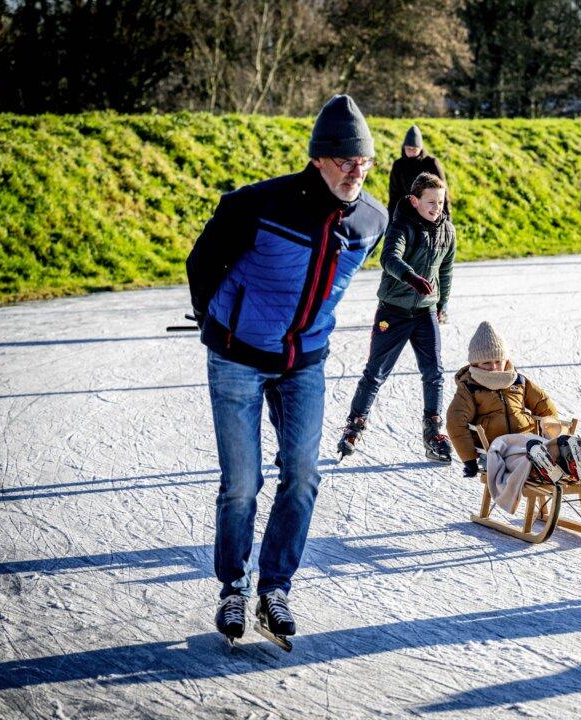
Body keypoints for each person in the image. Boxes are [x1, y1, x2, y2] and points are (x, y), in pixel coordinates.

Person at [186, 94, 388, 644]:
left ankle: (274, 588)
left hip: (305, 364)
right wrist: (219, 322)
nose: (355, 172)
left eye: (364, 162)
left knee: (301, 475)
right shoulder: (258, 204)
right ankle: (233, 588)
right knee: (243, 483)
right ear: (318, 159)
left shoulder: (372, 219)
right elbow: (203, 262)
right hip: (238, 358)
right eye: (345, 160)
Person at [338, 172, 456, 463]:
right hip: (393, 310)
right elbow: (389, 258)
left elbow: (446, 270)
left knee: (434, 372)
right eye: (430, 202)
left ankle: (433, 432)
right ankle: (354, 426)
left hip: (425, 311)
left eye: (440, 202)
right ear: (414, 201)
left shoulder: (448, 231)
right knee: (376, 372)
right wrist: (410, 277)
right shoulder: (401, 225)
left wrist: (442, 303)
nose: (436, 207)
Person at [446, 321, 581, 511]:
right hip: (498, 447)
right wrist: (468, 458)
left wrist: (551, 432)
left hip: (529, 440)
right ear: (475, 363)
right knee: (523, 458)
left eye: (498, 361)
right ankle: (543, 468)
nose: (494, 367)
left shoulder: (518, 381)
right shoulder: (469, 388)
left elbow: (543, 404)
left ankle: (569, 459)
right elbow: (456, 422)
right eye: (487, 362)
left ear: (506, 359)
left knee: (551, 446)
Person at [388, 125, 449, 218]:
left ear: (420, 148)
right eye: (408, 149)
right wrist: (391, 217)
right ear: (404, 148)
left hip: (430, 212)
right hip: (406, 214)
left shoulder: (431, 163)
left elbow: (442, 191)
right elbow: (394, 195)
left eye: (414, 149)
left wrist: (447, 216)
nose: (411, 152)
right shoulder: (398, 165)